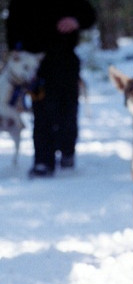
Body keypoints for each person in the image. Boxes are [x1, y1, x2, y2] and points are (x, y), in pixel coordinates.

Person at [6, 0, 97, 177]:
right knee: (41, 112)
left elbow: (89, 15)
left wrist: (76, 21)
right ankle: (43, 161)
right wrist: (16, 49)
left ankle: (67, 151)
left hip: (65, 60)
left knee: (68, 110)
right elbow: (13, 23)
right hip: (35, 64)